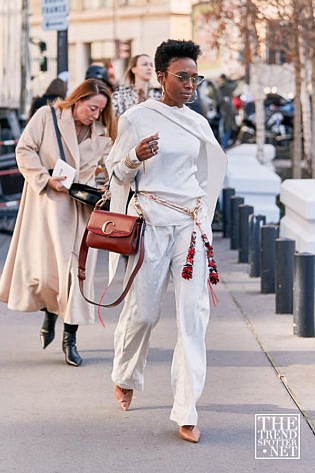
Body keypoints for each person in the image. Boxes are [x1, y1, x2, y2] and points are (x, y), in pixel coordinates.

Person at [106, 39, 227, 443]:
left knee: (194, 318)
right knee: (143, 313)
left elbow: (209, 175)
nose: (191, 84)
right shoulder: (136, 119)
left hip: (190, 227)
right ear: (161, 77)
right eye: (183, 76)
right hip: (151, 223)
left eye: (196, 77)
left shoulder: (199, 123)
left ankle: (187, 410)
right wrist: (134, 157)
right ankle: (125, 374)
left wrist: (205, 223)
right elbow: (117, 176)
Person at [0, 79, 117, 367]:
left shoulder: (102, 133)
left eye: (101, 110)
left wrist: (104, 187)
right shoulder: (47, 117)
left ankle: (70, 339)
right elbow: (24, 150)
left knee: (77, 274)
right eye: (92, 108)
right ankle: (50, 314)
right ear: (77, 101)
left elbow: (107, 168)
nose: (95, 115)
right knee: (48, 270)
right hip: (48, 207)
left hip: (82, 210)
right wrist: (44, 178)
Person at [217, 73, 238, 149]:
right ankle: (224, 144)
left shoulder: (223, 86)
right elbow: (235, 84)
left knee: (226, 128)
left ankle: (224, 144)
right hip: (227, 110)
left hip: (226, 110)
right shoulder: (225, 86)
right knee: (227, 128)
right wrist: (230, 79)